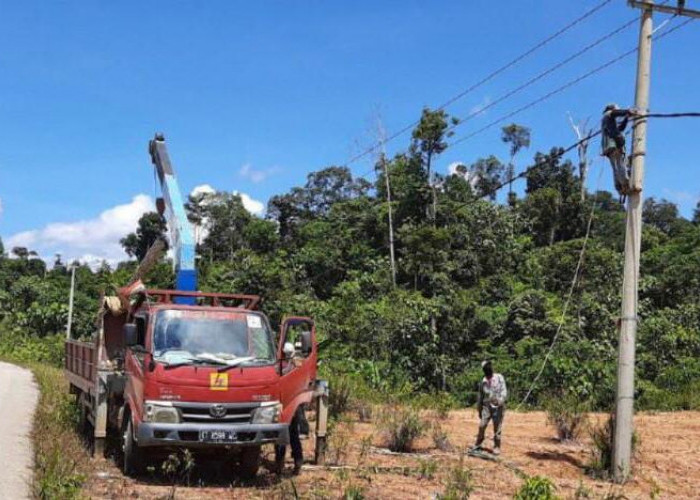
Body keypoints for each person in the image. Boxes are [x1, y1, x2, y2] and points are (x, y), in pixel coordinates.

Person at [601, 103, 637, 201]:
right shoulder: (608, 114)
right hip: (613, 145)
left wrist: (626, 117)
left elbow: (620, 128)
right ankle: (625, 184)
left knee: (616, 167)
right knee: (620, 165)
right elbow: (614, 113)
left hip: (609, 147)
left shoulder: (608, 121)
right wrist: (628, 111)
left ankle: (620, 187)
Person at [473, 360, 507, 455]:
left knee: (497, 428)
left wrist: (501, 401)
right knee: (482, 425)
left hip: (498, 407)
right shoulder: (483, 382)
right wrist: (479, 410)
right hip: (487, 407)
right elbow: (480, 397)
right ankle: (478, 443)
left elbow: (504, 391)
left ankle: (496, 446)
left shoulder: (499, 377)